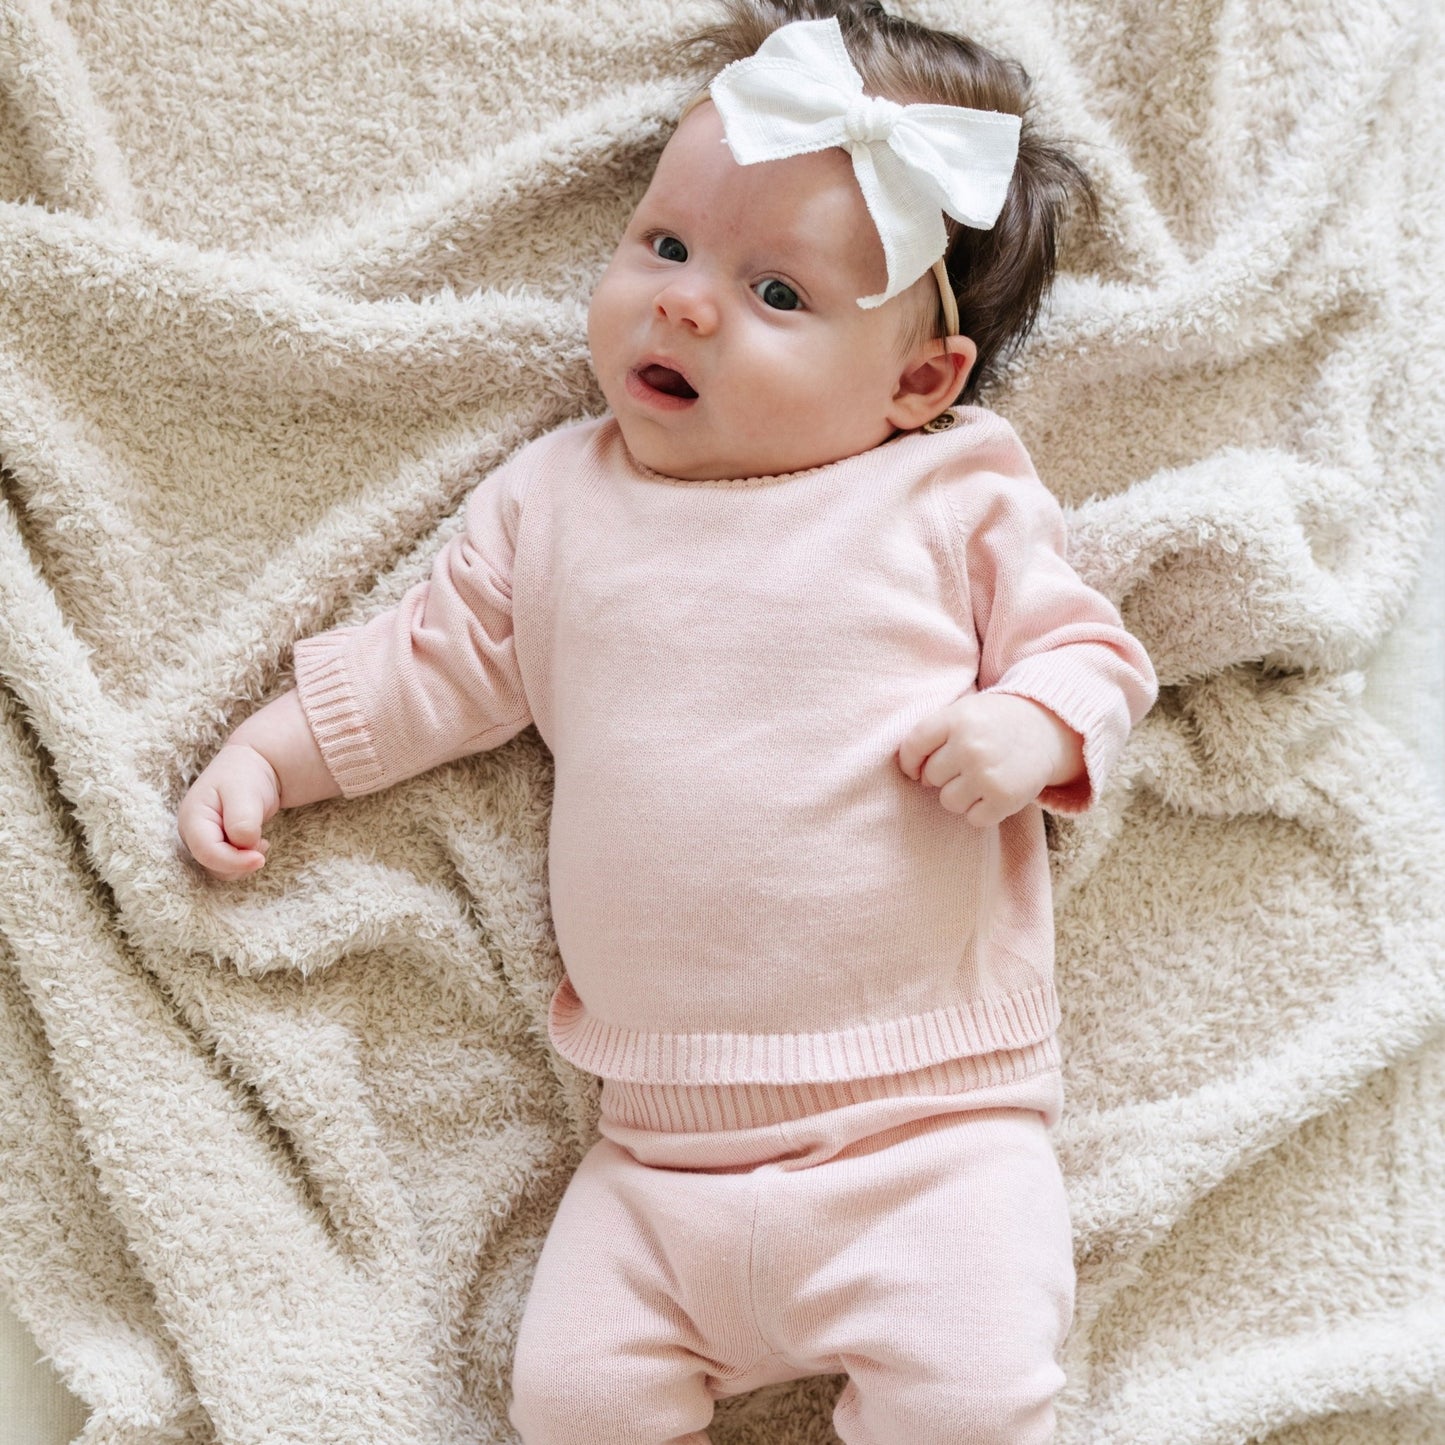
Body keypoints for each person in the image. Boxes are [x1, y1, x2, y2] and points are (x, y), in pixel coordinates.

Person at [178, 3, 1157, 1440]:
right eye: (665, 244)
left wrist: (1035, 724)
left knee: (969, 1394)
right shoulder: (557, 500)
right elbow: (434, 662)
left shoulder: (953, 495)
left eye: (776, 296)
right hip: (652, 1159)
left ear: (917, 383)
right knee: (570, 1397)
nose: (684, 302)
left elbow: (1093, 648)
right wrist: (276, 747)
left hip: (930, 1133)